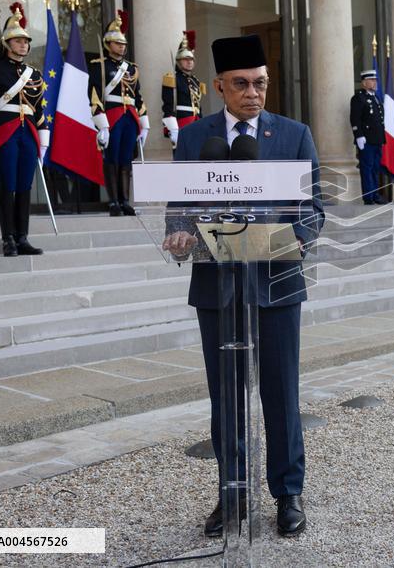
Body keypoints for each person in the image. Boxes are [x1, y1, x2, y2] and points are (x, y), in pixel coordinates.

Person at [161, 34, 324, 538]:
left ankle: (288, 495)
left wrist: (297, 240)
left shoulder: (294, 135)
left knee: (281, 393)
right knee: (225, 397)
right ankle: (231, 493)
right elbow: (179, 205)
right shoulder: (194, 139)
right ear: (219, 87)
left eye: (260, 83)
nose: (253, 93)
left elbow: (313, 209)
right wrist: (179, 234)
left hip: (276, 280)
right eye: (241, 84)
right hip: (217, 285)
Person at [0, 3, 46, 257]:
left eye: (26, 41)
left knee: (25, 186)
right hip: (4, 133)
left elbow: (39, 111)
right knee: (8, 185)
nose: (23, 45)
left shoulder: (35, 74)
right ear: (7, 43)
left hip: (27, 134)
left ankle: (22, 237)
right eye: (18, 41)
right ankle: (8, 239)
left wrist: (44, 140)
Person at [89, 10, 150, 216]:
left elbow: (138, 96)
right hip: (113, 115)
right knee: (112, 159)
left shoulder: (132, 68)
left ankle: (125, 200)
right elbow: (95, 96)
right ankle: (113, 201)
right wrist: (103, 125)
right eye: (118, 43)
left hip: (130, 117)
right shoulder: (99, 66)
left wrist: (145, 122)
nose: (122, 46)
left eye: (123, 44)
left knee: (126, 159)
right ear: (108, 44)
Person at [162, 30, 206, 149]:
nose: (189, 62)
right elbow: (168, 105)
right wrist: (172, 128)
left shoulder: (195, 81)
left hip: (196, 121)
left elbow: (198, 105)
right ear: (178, 61)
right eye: (185, 59)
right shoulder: (172, 78)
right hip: (181, 121)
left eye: (191, 59)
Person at [349, 68, 386, 204]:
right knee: (367, 168)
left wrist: (382, 138)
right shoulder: (359, 98)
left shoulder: (375, 98)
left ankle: (375, 193)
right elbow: (355, 118)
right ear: (364, 83)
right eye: (371, 80)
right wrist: (358, 135)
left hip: (377, 139)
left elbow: (379, 120)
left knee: (375, 168)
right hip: (366, 140)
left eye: (375, 80)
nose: (374, 82)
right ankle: (369, 196)